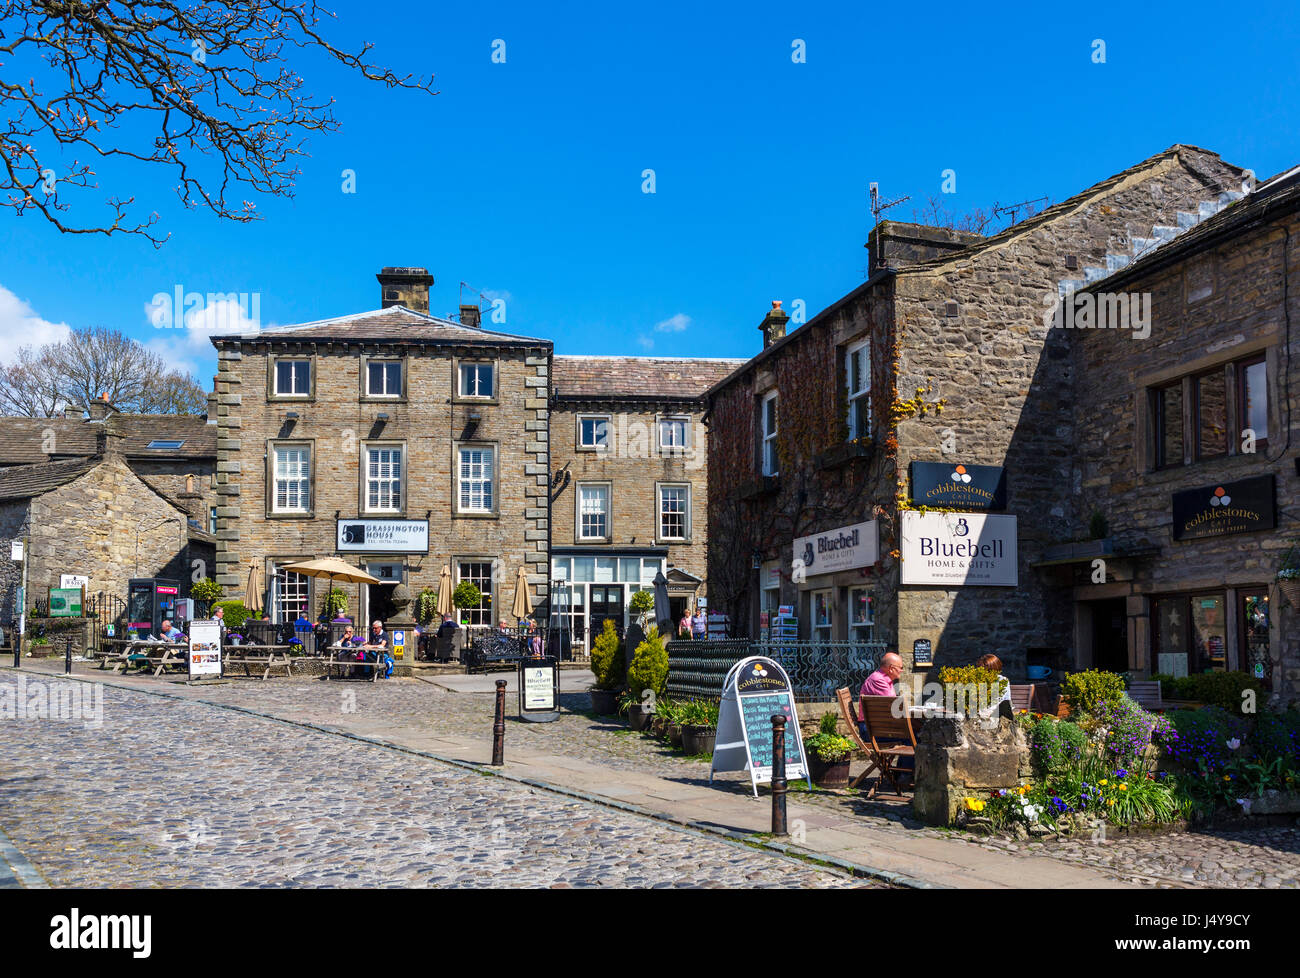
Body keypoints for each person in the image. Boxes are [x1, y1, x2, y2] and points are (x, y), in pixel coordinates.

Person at [975, 653, 1014, 721]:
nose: (984, 672)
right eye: (981, 668)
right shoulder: (977, 680)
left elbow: (1005, 699)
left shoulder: (1002, 680)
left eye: (987, 669)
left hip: (997, 713)